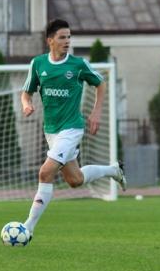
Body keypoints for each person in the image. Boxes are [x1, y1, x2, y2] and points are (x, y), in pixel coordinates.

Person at [20, 19, 126, 240]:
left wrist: (96, 112)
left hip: (72, 128)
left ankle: (28, 227)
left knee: (45, 172)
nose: (67, 41)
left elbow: (100, 83)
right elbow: (26, 92)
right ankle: (113, 171)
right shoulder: (38, 64)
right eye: (62, 37)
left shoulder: (78, 65)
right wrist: (26, 104)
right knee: (75, 180)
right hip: (51, 131)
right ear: (50, 41)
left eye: (69, 37)